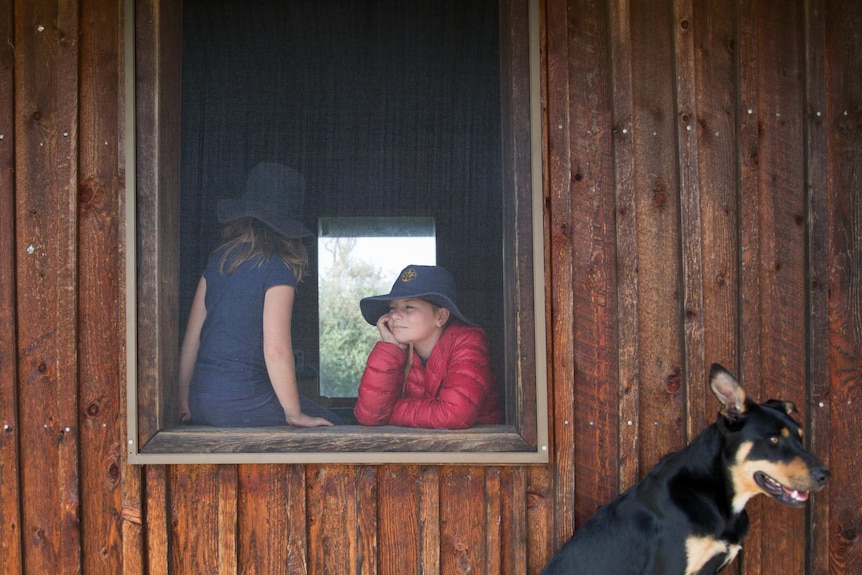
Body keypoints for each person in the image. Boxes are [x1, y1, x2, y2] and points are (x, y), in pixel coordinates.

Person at [178, 162, 341, 427]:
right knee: (335, 424)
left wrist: (182, 396)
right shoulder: (278, 269)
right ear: (289, 226)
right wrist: (294, 414)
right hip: (240, 400)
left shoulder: (218, 262)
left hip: (200, 398)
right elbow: (275, 349)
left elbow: (192, 338)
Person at [353, 265, 501, 429]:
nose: (394, 315)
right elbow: (369, 416)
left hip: (475, 452)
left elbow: (453, 415)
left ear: (441, 316)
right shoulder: (401, 351)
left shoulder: (468, 343)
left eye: (409, 307)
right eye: (392, 307)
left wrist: (389, 412)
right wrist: (389, 350)